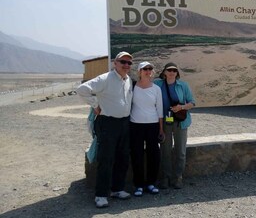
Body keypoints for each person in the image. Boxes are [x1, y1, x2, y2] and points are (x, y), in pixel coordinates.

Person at [76, 51, 134, 208]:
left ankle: (117, 189)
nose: (126, 65)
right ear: (115, 63)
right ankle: (101, 195)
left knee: (122, 158)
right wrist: (95, 104)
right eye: (123, 62)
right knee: (106, 159)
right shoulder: (105, 79)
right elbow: (82, 89)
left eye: (129, 63)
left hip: (124, 123)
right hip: (108, 123)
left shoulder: (128, 80)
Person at [154, 62, 195, 189]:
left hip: (180, 123)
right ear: (164, 72)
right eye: (169, 70)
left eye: (174, 70)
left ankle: (178, 177)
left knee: (180, 151)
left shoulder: (183, 85)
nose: (172, 72)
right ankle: (165, 177)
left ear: (177, 73)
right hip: (164, 123)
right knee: (165, 151)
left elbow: (192, 102)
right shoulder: (157, 84)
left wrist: (181, 107)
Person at [129, 62, 163, 197]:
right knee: (137, 155)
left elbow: (159, 109)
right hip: (135, 125)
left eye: (150, 69)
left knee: (153, 154)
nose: (148, 71)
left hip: (153, 125)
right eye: (145, 69)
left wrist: (161, 129)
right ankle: (138, 185)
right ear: (139, 71)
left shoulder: (156, 89)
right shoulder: (132, 88)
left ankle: (151, 183)